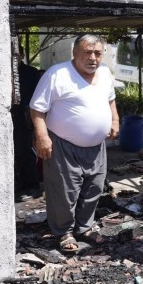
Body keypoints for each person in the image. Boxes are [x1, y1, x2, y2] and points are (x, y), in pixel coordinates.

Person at [29, 34, 120, 254]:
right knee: (64, 191)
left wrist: (115, 119)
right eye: (87, 52)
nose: (93, 58)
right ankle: (64, 232)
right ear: (75, 53)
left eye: (97, 53)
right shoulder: (57, 74)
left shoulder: (105, 72)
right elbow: (37, 108)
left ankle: (84, 228)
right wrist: (42, 137)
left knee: (94, 188)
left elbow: (110, 99)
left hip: (97, 147)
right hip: (63, 144)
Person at [12, 44, 43, 199]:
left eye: (17, 55)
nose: (14, 58)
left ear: (22, 56)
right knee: (16, 153)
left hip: (26, 118)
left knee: (27, 153)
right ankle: (21, 183)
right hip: (13, 118)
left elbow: (36, 100)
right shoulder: (8, 72)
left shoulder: (31, 73)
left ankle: (33, 185)